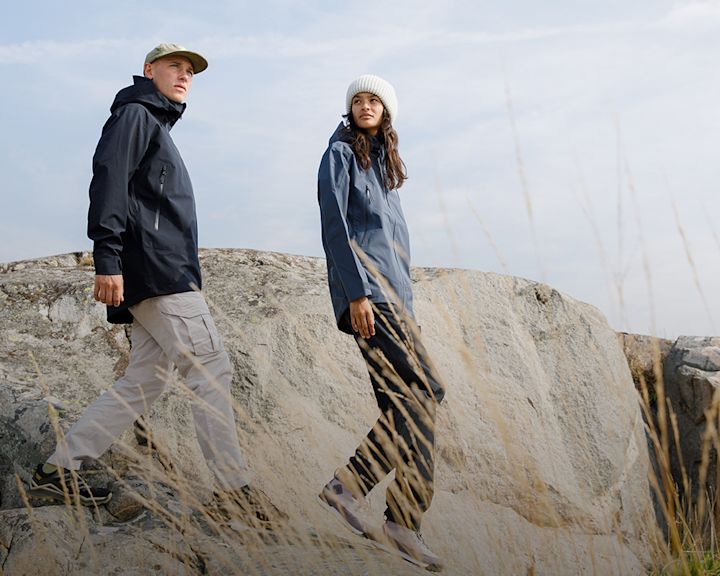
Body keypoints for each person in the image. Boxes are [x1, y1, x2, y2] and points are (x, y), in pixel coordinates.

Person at [29, 43, 282, 527]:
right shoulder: (136, 115)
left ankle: (58, 471)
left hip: (158, 271)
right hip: (159, 272)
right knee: (210, 367)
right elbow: (109, 180)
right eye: (174, 67)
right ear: (149, 71)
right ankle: (232, 490)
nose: (184, 75)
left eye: (190, 71)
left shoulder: (155, 124)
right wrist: (106, 256)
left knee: (145, 378)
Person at [317, 74, 446, 570]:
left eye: (374, 100)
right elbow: (335, 227)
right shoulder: (340, 155)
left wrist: (407, 307)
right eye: (358, 100)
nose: (365, 105)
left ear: (386, 111)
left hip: (397, 303)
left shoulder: (385, 166)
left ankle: (371, 505)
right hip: (370, 300)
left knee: (413, 404)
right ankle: (387, 514)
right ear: (349, 109)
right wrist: (356, 294)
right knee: (424, 393)